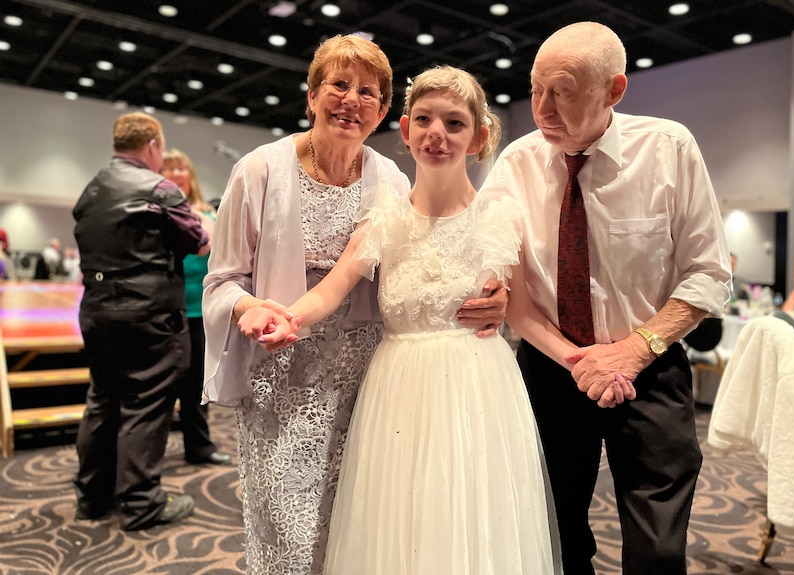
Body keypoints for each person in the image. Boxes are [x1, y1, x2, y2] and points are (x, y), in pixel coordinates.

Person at [239, 65, 632, 575]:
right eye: (423, 119)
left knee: (471, 517)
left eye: (454, 123)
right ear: (404, 131)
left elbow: (522, 312)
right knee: (400, 523)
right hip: (397, 390)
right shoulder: (384, 215)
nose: (436, 134)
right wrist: (282, 317)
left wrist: (580, 360)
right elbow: (331, 290)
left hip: (478, 389)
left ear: (478, 137)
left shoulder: (499, 216)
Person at [201, 36, 508, 575]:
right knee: (288, 529)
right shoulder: (259, 171)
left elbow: (425, 255)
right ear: (314, 95)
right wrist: (251, 307)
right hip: (283, 370)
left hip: (367, 382)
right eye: (339, 85)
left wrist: (493, 296)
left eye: (368, 92)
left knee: (359, 526)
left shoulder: (388, 180)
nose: (351, 100)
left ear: (385, 111)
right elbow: (221, 280)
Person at [480, 22, 731, 574]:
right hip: (550, 368)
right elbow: (503, 284)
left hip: (650, 363)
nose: (542, 107)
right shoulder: (516, 165)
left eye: (563, 91)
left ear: (614, 90)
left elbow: (708, 273)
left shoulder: (668, 149)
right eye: (535, 87)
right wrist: (576, 357)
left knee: (658, 546)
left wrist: (633, 351)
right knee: (554, 532)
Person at [73, 112, 209, 531]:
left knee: (102, 401)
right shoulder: (158, 188)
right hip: (148, 316)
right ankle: (141, 503)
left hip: (95, 311)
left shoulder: (91, 190)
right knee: (146, 405)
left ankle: (93, 498)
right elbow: (199, 244)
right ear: (152, 146)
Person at [159, 148, 230, 466]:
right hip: (168, 309)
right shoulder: (158, 211)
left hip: (201, 310)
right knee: (164, 384)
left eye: (181, 168)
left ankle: (198, 448)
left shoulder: (208, 212)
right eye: (169, 168)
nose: (176, 174)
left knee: (197, 384)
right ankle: (150, 453)